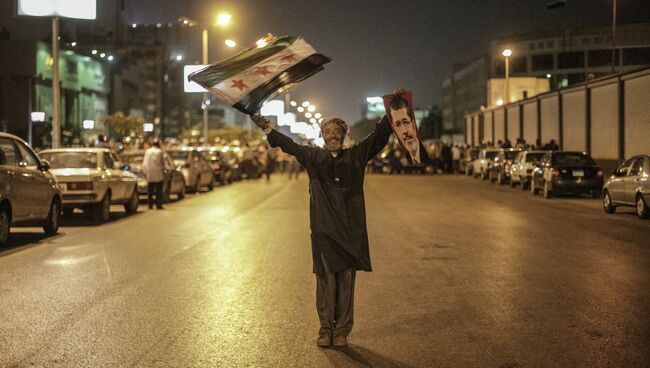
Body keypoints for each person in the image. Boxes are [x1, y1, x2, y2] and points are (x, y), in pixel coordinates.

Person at [250, 95, 394, 348]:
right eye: (327, 132)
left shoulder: (356, 156)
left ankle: (342, 332)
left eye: (336, 131)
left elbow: (378, 137)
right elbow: (288, 144)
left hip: (350, 232)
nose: (332, 135)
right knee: (326, 282)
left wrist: (394, 108)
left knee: (346, 284)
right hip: (323, 232)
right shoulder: (314, 157)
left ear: (344, 134)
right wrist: (266, 127)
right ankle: (326, 329)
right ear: (322, 135)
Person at [387, 93, 427, 165]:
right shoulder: (396, 157)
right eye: (398, 124)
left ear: (413, 123)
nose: (404, 131)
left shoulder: (424, 155)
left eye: (405, 122)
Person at [142, 139, 165, 210]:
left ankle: (150, 205)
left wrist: (145, 172)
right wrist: (164, 169)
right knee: (158, 190)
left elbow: (144, 163)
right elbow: (162, 163)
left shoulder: (148, 151)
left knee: (150, 191)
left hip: (149, 173)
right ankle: (158, 205)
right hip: (158, 173)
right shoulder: (159, 152)